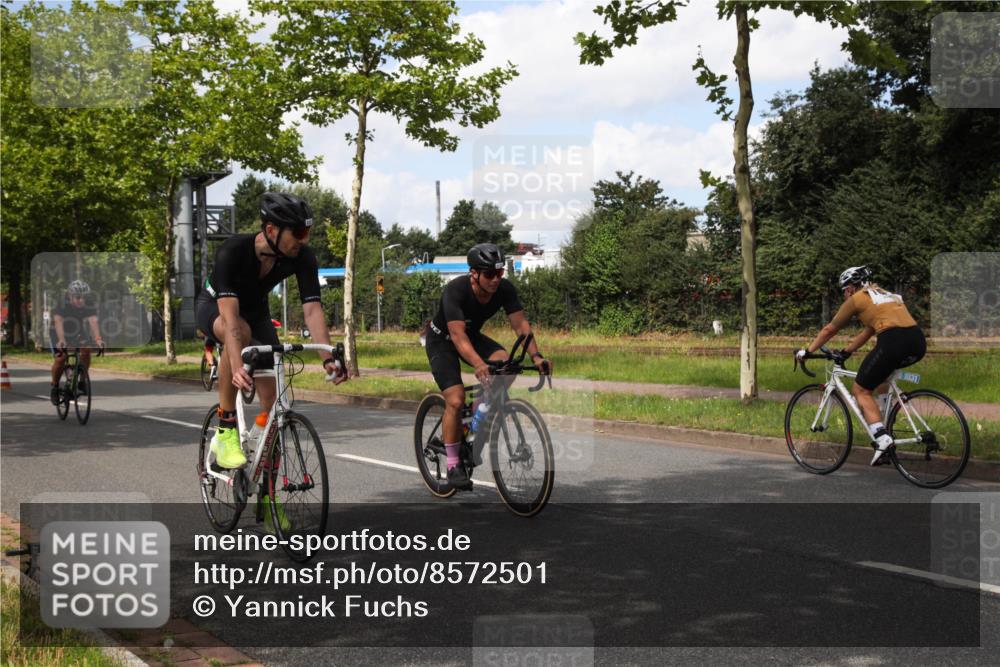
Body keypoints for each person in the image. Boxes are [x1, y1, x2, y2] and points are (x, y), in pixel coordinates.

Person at [195, 192, 347, 475]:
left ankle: (264, 481)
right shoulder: (233, 251)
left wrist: (328, 357)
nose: (304, 240)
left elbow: (312, 310)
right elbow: (231, 321)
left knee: (273, 402)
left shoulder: (302, 256)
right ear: (271, 230)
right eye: (298, 233)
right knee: (240, 333)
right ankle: (226, 430)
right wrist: (238, 366)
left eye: (307, 232)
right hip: (216, 307)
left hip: (256, 313)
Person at [424, 243, 551, 491]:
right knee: (456, 399)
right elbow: (457, 336)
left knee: (506, 363)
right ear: (474, 273)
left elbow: (521, 325)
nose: (495, 279)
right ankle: (453, 465)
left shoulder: (504, 289)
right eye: (490, 274)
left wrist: (536, 356)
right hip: (443, 341)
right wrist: (479, 364)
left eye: (499, 273)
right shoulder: (455, 290)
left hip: (471, 337)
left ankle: (476, 417)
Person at [796, 265, 926, 465]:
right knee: (881, 378)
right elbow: (868, 332)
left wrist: (807, 351)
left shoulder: (857, 298)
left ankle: (882, 439)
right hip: (917, 341)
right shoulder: (887, 295)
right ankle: (885, 421)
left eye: (844, 291)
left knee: (861, 390)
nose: (844, 295)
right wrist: (846, 351)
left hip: (893, 341)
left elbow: (830, 329)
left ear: (850, 288)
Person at [50, 280, 104, 404]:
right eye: (78, 297)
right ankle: (55, 386)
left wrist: (98, 339)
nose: (81, 300)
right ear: (70, 296)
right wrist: (62, 340)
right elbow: (58, 321)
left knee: (86, 350)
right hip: (58, 331)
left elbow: (93, 321)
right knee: (61, 358)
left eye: (84, 297)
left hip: (76, 330)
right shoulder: (61, 303)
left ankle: (81, 381)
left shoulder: (88, 303)